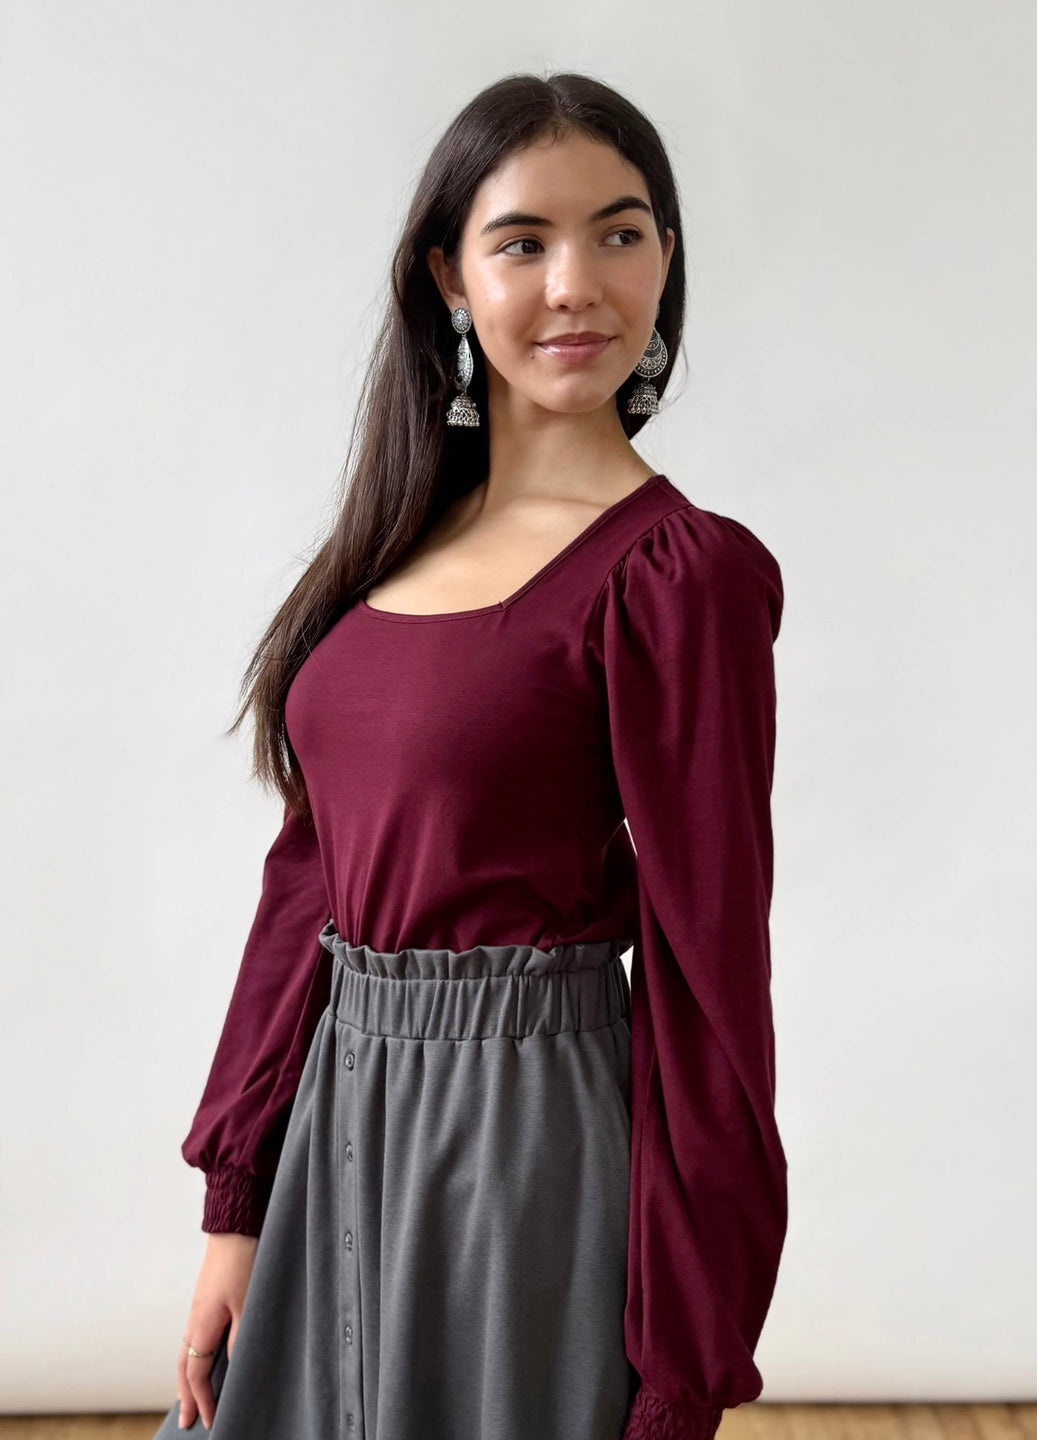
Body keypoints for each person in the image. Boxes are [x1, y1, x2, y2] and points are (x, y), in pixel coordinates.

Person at [153, 69, 787, 1440]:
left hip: (528, 1158)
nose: (577, 285)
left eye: (620, 234)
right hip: (335, 1123)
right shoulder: (391, 549)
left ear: (667, 258)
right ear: (449, 275)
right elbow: (309, 883)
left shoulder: (676, 579)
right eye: (523, 242)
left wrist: (683, 1368)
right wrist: (236, 1206)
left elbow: (710, 983)